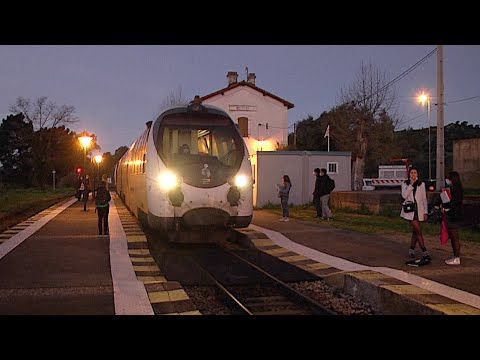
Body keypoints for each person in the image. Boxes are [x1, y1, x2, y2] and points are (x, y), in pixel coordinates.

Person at [401, 166, 430, 263]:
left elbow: (424, 199)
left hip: (419, 210)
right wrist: (411, 185)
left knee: (415, 232)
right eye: (411, 173)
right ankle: (424, 250)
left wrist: (426, 211)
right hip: (410, 211)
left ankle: (411, 250)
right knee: (418, 230)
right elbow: (404, 196)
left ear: (417, 174)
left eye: (415, 173)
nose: (413, 175)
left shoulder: (421, 184)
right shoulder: (405, 184)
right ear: (409, 174)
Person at [441, 171, 464, 265]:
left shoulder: (457, 190)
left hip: (454, 215)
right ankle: (455, 256)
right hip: (452, 214)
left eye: (449, 179)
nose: (447, 180)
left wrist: (446, 206)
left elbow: (454, 203)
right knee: (453, 236)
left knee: (455, 237)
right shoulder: (454, 188)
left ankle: (457, 257)